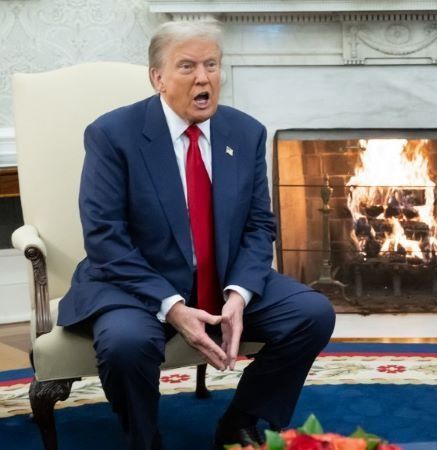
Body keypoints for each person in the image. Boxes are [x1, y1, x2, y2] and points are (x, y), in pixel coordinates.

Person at [58, 20, 335, 450]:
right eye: (187, 66)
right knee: (126, 345)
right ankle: (145, 440)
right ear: (158, 77)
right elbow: (104, 237)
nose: (203, 78)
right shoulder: (113, 135)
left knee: (312, 314)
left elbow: (259, 224)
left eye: (212, 65)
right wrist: (171, 306)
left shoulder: (245, 132)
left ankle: (241, 420)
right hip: (136, 284)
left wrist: (240, 294)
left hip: (220, 276)